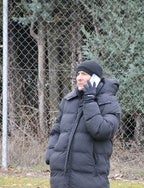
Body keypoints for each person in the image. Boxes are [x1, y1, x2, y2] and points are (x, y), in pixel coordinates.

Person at [45, 60, 121, 188]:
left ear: (96, 79)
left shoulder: (109, 102)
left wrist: (89, 100)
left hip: (90, 176)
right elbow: (56, 130)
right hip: (61, 176)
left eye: (84, 74)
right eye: (78, 74)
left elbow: (102, 131)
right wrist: (52, 155)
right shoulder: (68, 100)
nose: (79, 78)